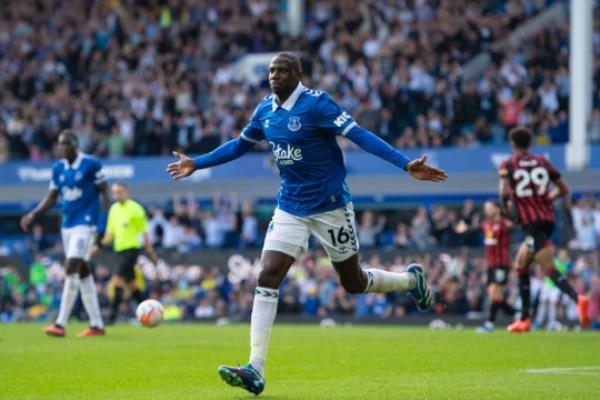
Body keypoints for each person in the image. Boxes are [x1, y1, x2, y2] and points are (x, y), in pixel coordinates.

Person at [166, 52, 448, 396]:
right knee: (267, 274)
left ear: (298, 74)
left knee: (354, 282)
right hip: (290, 207)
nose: (275, 75)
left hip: (330, 206)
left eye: (282, 70)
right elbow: (240, 146)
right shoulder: (265, 110)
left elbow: (359, 135)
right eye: (271, 70)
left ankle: (409, 280)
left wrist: (404, 165)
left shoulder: (317, 104)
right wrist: (198, 162)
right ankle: (255, 367)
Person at [499, 126, 589, 333]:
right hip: (547, 219)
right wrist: (547, 198)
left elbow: (504, 193)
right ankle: (525, 319)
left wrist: (506, 210)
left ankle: (578, 298)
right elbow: (564, 189)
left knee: (548, 268)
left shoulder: (508, 164)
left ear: (513, 145)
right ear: (529, 144)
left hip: (529, 222)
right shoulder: (543, 162)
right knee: (521, 264)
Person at [20, 130, 108, 337]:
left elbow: (105, 193)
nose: (62, 148)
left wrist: (102, 226)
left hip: (85, 224)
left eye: (66, 144)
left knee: (71, 267)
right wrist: (33, 215)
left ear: (75, 145)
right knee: (83, 274)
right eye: (60, 144)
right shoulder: (57, 168)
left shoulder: (91, 164)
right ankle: (97, 325)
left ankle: (60, 323)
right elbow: (51, 198)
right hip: (67, 225)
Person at [101, 182, 158, 324]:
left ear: (126, 192)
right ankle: (150, 312)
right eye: (114, 192)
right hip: (118, 250)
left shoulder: (135, 208)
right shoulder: (113, 209)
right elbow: (109, 234)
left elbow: (144, 232)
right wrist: (98, 245)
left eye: (119, 192)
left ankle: (111, 317)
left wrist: (150, 251)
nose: (116, 195)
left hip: (131, 249)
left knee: (117, 281)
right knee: (132, 285)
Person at [472, 201, 516, 332]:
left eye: (489, 208)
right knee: (495, 297)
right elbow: (472, 230)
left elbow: (514, 226)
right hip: (491, 265)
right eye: (486, 209)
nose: (487, 211)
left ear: (497, 209)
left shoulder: (504, 224)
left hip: (502, 264)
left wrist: (508, 212)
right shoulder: (486, 225)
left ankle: (489, 323)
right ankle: (520, 314)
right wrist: (464, 229)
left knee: (493, 292)